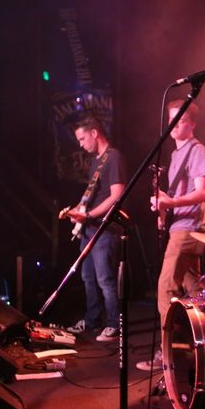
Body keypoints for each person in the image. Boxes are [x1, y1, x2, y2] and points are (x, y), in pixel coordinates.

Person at [137, 100, 205, 371]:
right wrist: (163, 209)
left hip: (190, 229)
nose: (175, 125)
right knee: (195, 293)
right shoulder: (176, 155)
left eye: (181, 120)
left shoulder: (197, 151)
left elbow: (202, 193)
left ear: (192, 124)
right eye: (172, 120)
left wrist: (170, 203)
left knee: (165, 288)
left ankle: (167, 354)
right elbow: (177, 196)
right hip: (180, 226)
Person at [67, 116, 126, 342]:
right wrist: (78, 211)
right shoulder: (96, 162)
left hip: (105, 228)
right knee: (87, 276)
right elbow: (94, 195)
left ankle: (114, 324)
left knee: (104, 279)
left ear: (94, 133)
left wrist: (90, 215)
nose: (81, 144)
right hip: (90, 228)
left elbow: (116, 195)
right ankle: (92, 319)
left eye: (83, 139)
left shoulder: (114, 157)